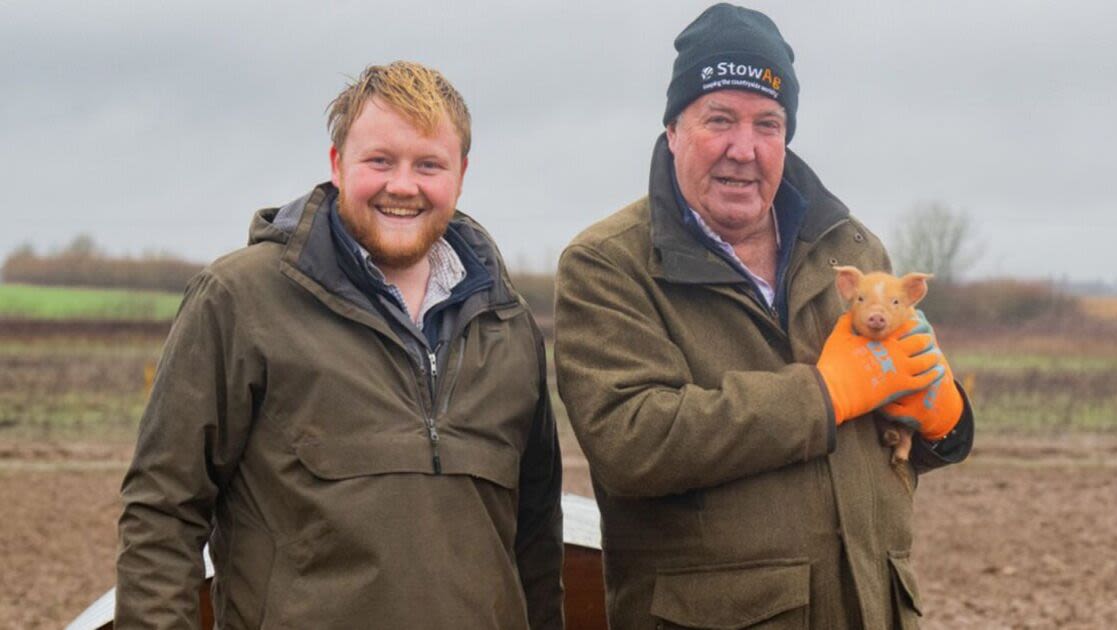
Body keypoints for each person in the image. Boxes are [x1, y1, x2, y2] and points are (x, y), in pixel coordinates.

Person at [554, 4, 974, 629]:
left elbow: (883, 429)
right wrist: (822, 396)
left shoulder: (850, 249)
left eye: (767, 124)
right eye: (718, 120)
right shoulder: (609, 266)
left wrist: (944, 422)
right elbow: (633, 441)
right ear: (673, 130)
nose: (743, 149)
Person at [116, 61, 564, 629]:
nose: (403, 186)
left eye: (428, 164)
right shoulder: (239, 301)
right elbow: (162, 513)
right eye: (380, 161)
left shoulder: (508, 326)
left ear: (461, 173)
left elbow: (537, 542)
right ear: (337, 164)